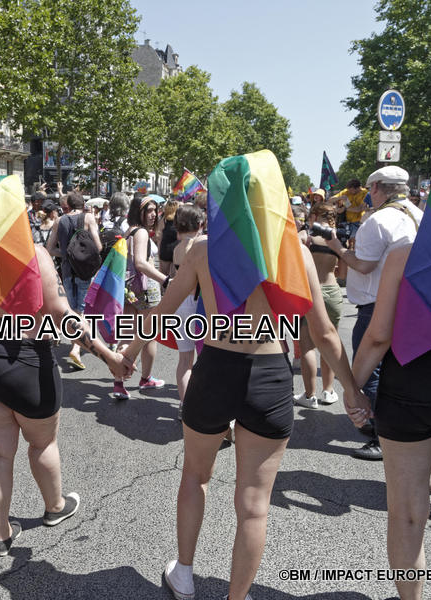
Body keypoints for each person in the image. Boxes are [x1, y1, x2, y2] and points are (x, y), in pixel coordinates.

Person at [119, 156, 370, 600]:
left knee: (195, 477)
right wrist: (353, 390)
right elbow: (325, 333)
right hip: (270, 375)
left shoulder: (201, 250)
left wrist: (130, 353)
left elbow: (163, 311)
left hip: (215, 368)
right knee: (254, 506)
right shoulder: (292, 252)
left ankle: (184, 575)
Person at [0, 180, 125, 556]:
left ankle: (1, 534)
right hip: (28, 360)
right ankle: (55, 507)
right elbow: (64, 315)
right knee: (42, 442)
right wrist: (108, 356)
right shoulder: (35, 255)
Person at [351, 159, 431, 598]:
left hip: (410, 387)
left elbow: (378, 335)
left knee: (406, 512)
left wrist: (354, 391)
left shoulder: (407, 254)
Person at [328, 165, 423, 461]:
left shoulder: (378, 220)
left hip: (376, 304)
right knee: (399, 373)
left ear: (378, 188)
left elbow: (363, 265)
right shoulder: (420, 216)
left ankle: (376, 433)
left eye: (371, 189)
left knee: (370, 372)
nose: (370, 194)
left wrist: (335, 246)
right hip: (413, 307)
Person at [112, 195, 167, 400]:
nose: (154, 214)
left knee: (126, 334)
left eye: (155, 210)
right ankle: (145, 379)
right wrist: (165, 280)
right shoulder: (142, 232)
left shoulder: (129, 231)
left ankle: (118, 382)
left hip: (128, 290)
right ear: (139, 211)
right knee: (149, 335)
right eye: (149, 210)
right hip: (146, 290)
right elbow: (141, 263)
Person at [293, 202, 345, 408]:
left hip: (308, 292)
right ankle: (329, 391)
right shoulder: (337, 240)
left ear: (313, 215)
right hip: (332, 292)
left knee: (306, 346)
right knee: (329, 343)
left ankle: (309, 395)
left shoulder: (304, 237)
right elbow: (342, 274)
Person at [44, 190, 102, 370]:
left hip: (67, 269)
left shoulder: (59, 221)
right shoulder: (88, 218)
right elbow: (98, 246)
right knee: (82, 309)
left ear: (67, 205)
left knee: (72, 309)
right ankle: (76, 348)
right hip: (85, 270)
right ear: (83, 205)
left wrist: (67, 254)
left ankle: (73, 343)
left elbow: (49, 248)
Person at [168, 204, 205, 418]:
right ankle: (200, 404)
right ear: (200, 224)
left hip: (180, 305)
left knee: (184, 360)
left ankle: (184, 404)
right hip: (198, 303)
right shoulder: (201, 245)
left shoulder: (177, 248)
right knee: (204, 359)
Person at [156, 199, 180, 276]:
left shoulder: (164, 219)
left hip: (165, 249)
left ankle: (163, 288)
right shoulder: (179, 220)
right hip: (176, 250)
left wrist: (159, 252)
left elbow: (158, 236)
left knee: (163, 275)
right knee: (174, 276)